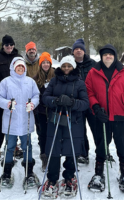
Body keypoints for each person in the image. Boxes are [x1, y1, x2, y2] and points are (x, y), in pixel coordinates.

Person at [85, 44, 124, 193]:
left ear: (115, 56)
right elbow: (89, 92)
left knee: (122, 146)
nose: (108, 56)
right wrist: (95, 107)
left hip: (121, 116)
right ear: (101, 57)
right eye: (105, 54)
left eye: (111, 54)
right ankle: (98, 174)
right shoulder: (93, 73)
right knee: (101, 146)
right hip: (102, 117)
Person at [41, 55, 89, 198]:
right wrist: (55, 100)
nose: (66, 68)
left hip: (73, 121)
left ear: (73, 67)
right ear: (60, 67)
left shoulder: (79, 82)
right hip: (55, 120)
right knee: (54, 149)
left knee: (71, 149)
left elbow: (85, 103)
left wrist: (72, 102)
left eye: (69, 66)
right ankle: (52, 178)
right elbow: (45, 97)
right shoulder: (54, 81)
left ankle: (69, 177)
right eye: (64, 66)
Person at [0, 57, 40, 188]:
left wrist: (32, 104)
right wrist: (7, 104)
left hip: (26, 120)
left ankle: (29, 172)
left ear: (25, 69)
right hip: (11, 122)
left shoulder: (30, 81)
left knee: (27, 147)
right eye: (17, 67)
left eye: (22, 67)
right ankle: (7, 173)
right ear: (13, 68)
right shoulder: (6, 82)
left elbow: (36, 95)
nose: (20, 69)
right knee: (9, 147)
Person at [0, 35, 22, 165]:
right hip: (2, 95)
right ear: (3, 45)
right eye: (7, 45)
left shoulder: (18, 58)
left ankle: (13, 145)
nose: (9, 47)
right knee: (1, 121)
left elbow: (23, 74)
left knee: (15, 120)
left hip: (16, 96)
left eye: (11, 45)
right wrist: (0, 84)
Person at [72, 38, 96, 164]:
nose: (79, 51)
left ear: (84, 51)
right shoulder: (70, 64)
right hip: (77, 103)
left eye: (81, 49)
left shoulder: (93, 64)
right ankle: (82, 153)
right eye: (76, 49)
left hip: (92, 101)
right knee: (80, 129)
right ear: (73, 51)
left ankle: (102, 151)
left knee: (96, 128)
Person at [32, 52, 55, 171]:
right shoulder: (35, 79)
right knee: (42, 134)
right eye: (43, 62)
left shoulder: (55, 76)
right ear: (40, 64)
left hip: (53, 111)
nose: (45, 65)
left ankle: (53, 156)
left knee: (53, 134)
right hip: (40, 112)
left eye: (47, 62)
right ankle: (44, 156)